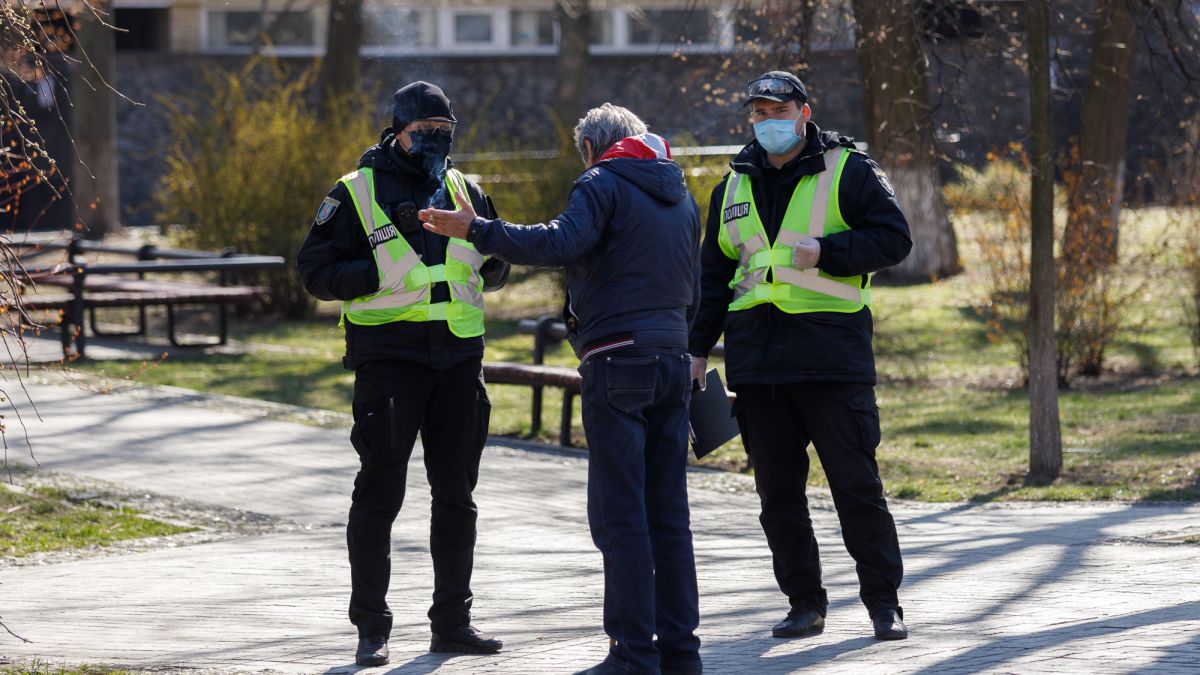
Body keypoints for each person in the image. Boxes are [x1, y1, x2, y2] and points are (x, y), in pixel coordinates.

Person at [421, 103, 703, 675]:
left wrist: (477, 229)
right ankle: (681, 653)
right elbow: (691, 284)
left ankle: (632, 655)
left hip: (618, 359)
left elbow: (559, 243)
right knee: (668, 515)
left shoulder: (601, 183)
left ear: (594, 149)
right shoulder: (680, 194)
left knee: (620, 515)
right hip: (673, 357)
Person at [687, 71, 913, 641]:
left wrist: (828, 252)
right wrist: (695, 350)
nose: (767, 122)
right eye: (757, 114)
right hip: (759, 365)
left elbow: (894, 239)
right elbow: (713, 277)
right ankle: (804, 603)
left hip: (830, 361)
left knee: (856, 488)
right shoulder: (730, 186)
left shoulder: (849, 170)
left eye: (777, 110)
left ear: (804, 112)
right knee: (778, 497)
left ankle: (884, 604)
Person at [296, 81, 509, 667]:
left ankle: (453, 624)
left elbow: (497, 267)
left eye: (446, 133)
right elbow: (312, 270)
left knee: (457, 497)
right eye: (426, 134)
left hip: (459, 361)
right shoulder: (356, 191)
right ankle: (371, 627)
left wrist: (490, 260)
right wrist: (374, 275)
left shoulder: (467, 190)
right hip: (390, 364)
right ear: (398, 132)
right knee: (380, 494)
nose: (437, 143)